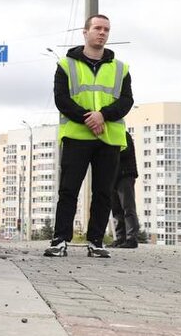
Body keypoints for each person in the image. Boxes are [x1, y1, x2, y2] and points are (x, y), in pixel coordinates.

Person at [44, 14, 133, 258]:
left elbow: (127, 101)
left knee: (103, 192)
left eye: (106, 29)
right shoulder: (66, 65)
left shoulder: (120, 68)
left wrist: (102, 116)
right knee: (68, 190)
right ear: (85, 32)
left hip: (109, 139)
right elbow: (61, 99)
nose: (102, 33)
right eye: (97, 28)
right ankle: (60, 239)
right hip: (77, 137)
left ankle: (96, 241)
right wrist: (89, 118)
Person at [110, 131, 140, 248]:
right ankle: (120, 237)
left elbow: (125, 151)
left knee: (128, 207)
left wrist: (108, 152)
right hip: (113, 177)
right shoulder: (109, 136)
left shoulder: (123, 134)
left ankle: (131, 238)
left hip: (125, 175)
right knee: (116, 209)